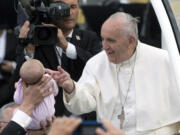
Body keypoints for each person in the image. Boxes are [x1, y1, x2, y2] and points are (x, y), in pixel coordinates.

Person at [45, 12, 180, 135]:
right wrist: (71, 87)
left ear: (131, 41)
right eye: (103, 39)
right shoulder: (96, 63)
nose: (104, 46)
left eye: (111, 40)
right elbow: (85, 103)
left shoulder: (165, 60)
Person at [10, 0, 102, 118]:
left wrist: (67, 46)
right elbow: (17, 82)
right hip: (47, 118)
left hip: (85, 116)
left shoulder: (89, 37)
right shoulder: (36, 38)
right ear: (48, 10)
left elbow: (97, 70)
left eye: (73, 7)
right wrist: (28, 51)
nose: (69, 12)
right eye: (61, 7)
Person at [14, 59, 58, 130]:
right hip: (48, 119)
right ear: (44, 71)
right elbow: (55, 92)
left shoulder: (22, 85)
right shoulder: (49, 79)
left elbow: (17, 100)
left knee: (14, 111)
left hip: (29, 123)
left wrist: (18, 89)